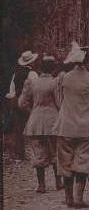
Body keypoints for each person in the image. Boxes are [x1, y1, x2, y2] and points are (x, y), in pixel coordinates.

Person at [53, 42, 89, 208]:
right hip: (87, 125)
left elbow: (59, 100)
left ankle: (68, 198)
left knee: (65, 161)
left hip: (65, 124)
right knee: (84, 160)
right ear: (86, 60)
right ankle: (79, 198)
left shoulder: (63, 78)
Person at [18, 56, 62, 193]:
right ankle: (58, 182)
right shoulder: (55, 83)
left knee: (38, 152)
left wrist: (32, 111)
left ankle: (41, 185)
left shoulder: (32, 82)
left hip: (35, 121)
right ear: (52, 68)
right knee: (56, 152)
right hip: (52, 120)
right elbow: (59, 102)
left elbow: (22, 103)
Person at [7, 50, 39, 160]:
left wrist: (14, 100)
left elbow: (12, 90)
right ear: (32, 62)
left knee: (18, 129)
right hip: (29, 104)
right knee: (33, 128)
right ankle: (36, 153)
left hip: (17, 102)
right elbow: (36, 89)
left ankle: (19, 153)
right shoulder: (33, 74)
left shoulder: (16, 74)